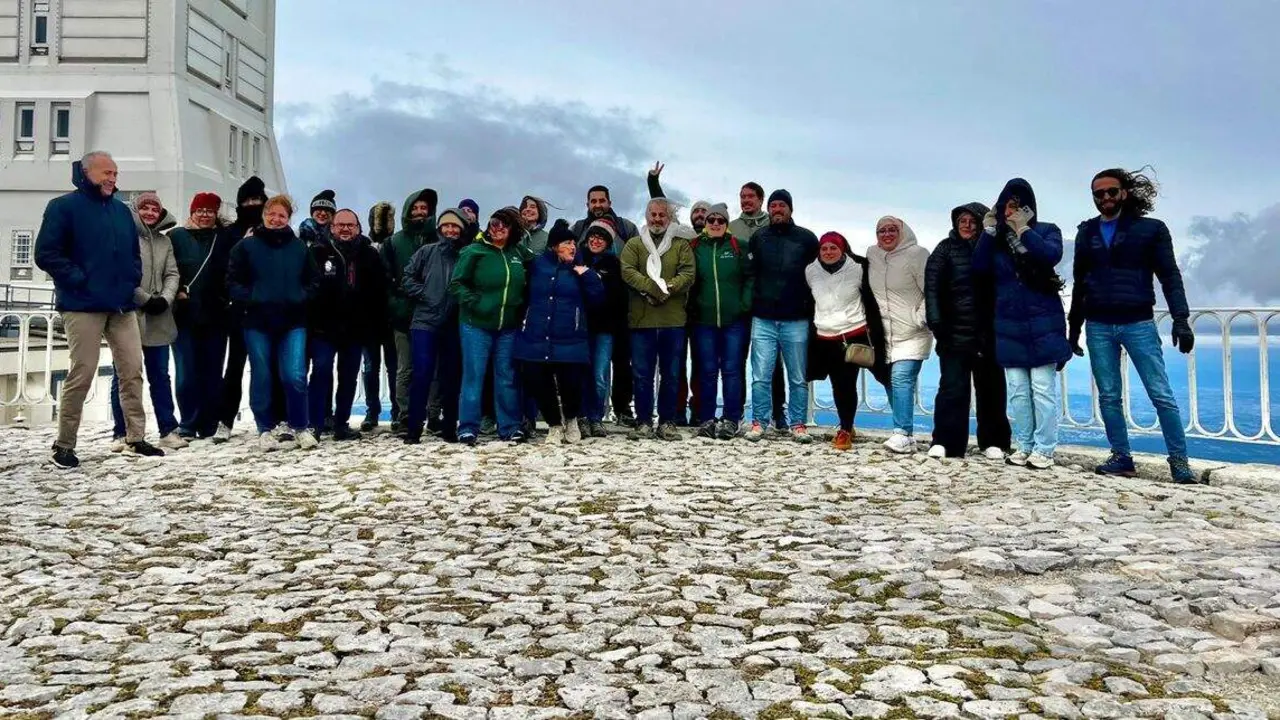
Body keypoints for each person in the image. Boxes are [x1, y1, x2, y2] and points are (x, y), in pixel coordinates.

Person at [34, 151, 165, 468]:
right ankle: (64, 444)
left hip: (121, 305)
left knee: (132, 370)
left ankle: (135, 437)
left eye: (116, 174)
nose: (112, 179)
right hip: (81, 304)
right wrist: (79, 279)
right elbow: (46, 253)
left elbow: (134, 255)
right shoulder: (63, 208)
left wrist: (130, 280)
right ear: (86, 172)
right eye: (107, 172)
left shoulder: (122, 212)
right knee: (83, 373)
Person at [1069, 168, 1196, 483]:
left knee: (1160, 393)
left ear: (1125, 192)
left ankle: (1180, 463)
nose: (1105, 198)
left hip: (1138, 322)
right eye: (1098, 194)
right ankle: (1121, 457)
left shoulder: (1151, 230)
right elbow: (1079, 282)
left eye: (1111, 191)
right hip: (1097, 324)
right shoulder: (1086, 232)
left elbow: (1169, 275)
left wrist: (1181, 319)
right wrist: (1073, 328)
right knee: (1109, 396)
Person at [973, 178, 1071, 469]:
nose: (1011, 211)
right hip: (1009, 323)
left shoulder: (1047, 231)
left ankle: (1045, 448)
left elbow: (1049, 255)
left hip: (1044, 322)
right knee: (1017, 389)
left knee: (1042, 388)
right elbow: (979, 267)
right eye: (1007, 205)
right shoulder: (996, 240)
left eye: (1017, 205)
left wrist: (1024, 229)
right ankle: (1024, 444)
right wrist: (989, 231)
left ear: (1029, 207)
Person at [226, 194, 320, 452]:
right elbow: (233, 282)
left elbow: (314, 281)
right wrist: (253, 296)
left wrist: (301, 296)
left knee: (294, 375)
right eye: (272, 213)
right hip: (257, 322)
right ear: (264, 214)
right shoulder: (245, 247)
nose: (276, 219)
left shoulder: (299, 248)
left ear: (288, 219)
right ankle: (265, 428)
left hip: (293, 321)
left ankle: (300, 426)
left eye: (282, 215)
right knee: (263, 375)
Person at [925, 203, 1012, 460]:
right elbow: (932, 288)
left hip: (988, 332)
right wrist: (937, 323)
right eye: (962, 220)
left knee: (991, 388)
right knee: (952, 388)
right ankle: (946, 442)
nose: (967, 225)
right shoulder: (944, 248)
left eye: (972, 221)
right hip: (953, 332)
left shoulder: (995, 248)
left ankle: (994, 441)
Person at [516, 220, 605, 444]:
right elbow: (522, 292)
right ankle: (554, 425)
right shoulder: (536, 265)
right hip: (537, 334)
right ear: (554, 245)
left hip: (571, 336)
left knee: (571, 383)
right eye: (567, 242)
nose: (573, 247)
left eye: (574, 243)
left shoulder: (580, 269)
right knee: (539, 381)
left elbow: (598, 299)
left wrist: (587, 274)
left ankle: (572, 420)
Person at [109, 192, 184, 452]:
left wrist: (164, 298)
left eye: (155, 209)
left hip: (159, 317)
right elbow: (120, 272)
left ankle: (168, 429)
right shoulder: (124, 236)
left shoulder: (165, 242)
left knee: (160, 375)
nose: (150, 213)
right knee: (125, 375)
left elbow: (172, 273)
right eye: (145, 208)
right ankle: (121, 431)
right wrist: (143, 298)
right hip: (129, 315)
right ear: (136, 210)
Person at [449, 207, 529, 445]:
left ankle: (510, 426)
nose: (498, 228)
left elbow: (536, 269)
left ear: (512, 228)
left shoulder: (518, 253)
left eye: (504, 225)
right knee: (474, 375)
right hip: (476, 325)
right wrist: (475, 302)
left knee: (506, 376)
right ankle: (468, 427)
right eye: (494, 223)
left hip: (508, 326)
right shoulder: (474, 250)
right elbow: (457, 284)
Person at [745, 189, 819, 443]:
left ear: (790, 209)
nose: (777, 210)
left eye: (782, 206)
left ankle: (798, 424)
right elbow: (750, 272)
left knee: (798, 376)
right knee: (760, 376)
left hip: (796, 317)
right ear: (768, 209)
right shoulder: (759, 237)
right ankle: (759, 422)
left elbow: (818, 273)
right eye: (773, 205)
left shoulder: (807, 239)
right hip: (763, 317)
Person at [307, 208, 387, 441]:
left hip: (356, 328)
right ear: (332, 227)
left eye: (350, 225)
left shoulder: (369, 254)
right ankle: (317, 423)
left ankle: (341, 423)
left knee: (348, 376)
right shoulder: (318, 252)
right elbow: (310, 288)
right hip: (324, 327)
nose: (345, 229)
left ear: (358, 228)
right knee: (321, 371)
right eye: (340, 224)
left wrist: (375, 326)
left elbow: (378, 293)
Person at [620, 198, 696, 441]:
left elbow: (688, 273)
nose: (657, 219)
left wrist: (668, 288)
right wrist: (653, 288)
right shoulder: (634, 245)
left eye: (662, 215)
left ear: (669, 218)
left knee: (671, 374)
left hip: (672, 320)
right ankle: (643, 421)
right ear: (646, 216)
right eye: (652, 214)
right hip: (642, 320)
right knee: (641, 374)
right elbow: (627, 271)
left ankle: (667, 421)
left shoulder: (680, 244)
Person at [805, 231, 889, 450]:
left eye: (833, 248)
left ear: (843, 249)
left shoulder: (859, 267)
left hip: (854, 332)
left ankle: (848, 428)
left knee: (879, 376)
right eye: (824, 248)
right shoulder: (810, 270)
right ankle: (846, 426)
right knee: (840, 385)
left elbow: (871, 297)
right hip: (825, 336)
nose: (828, 252)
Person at [571, 185, 641, 426]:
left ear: (609, 202)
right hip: (585, 321)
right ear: (587, 204)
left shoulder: (626, 228)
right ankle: (586, 415)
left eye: (602, 200)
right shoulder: (579, 229)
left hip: (619, 315)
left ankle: (621, 409)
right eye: (593, 201)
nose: (598, 205)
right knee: (585, 370)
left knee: (621, 364)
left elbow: (639, 257)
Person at [401, 209, 469, 444]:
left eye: (455, 226)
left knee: (451, 376)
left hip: (453, 322)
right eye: (446, 226)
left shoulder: (466, 254)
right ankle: (413, 428)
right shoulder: (427, 251)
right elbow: (407, 278)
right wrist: (425, 293)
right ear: (439, 228)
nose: (450, 230)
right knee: (422, 374)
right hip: (424, 321)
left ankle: (450, 427)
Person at [171, 191, 234, 440]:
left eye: (209, 211)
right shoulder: (176, 237)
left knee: (212, 372)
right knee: (186, 371)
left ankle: (208, 422)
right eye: (200, 211)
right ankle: (188, 421)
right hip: (184, 314)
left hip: (216, 314)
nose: (205, 215)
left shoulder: (224, 238)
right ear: (192, 212)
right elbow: (168, 269)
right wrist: (175, 292)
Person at [213, 176, 271, 443]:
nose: (252, 205)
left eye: (257, 200)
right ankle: (225, 420)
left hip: (268, 311)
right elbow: (223, 269)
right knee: (234, 367)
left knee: (265, 368)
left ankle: (267, 421)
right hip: (238, 311)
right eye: (247, 201)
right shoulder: (229, 234)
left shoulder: (273, 232)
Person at [867, 216, 933, 454]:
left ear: (902, 231)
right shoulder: (873, 255)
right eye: (881, 231)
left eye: (892, 230)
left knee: (901, 378)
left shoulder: (917, 255)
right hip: (884, 336)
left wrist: (920, 317)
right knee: (888, 380)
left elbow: (932, 290)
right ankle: (907, 435)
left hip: (912, 333)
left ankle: (901, 432)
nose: (886, 234)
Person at [688, 203, 752, 440]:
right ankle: (706, 418)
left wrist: (743, 305)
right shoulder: (695, 247)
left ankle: (731, 419)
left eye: (720, 220)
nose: (715, 224)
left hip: (734, 320)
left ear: (726, 224)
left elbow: (750, 277)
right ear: (704, 224)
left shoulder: (738, 247)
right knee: (706, 371)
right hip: (703, 320)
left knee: (732, 370)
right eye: (711, 220)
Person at [728, 180, 787, 432]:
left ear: (761, 200)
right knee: (738, 359)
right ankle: (737, 412)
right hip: (740, 303)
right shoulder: (731, 228)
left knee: (773, 363)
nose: (746, 200)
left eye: (751, 196)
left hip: (769, 302)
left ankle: (778, 413)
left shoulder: (771, 225)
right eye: (742, 196)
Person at [381, 188, 439, 433]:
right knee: (405, 368)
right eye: (415, 208)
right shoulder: (394, 242)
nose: (419, 212)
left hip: (434, 315)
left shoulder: (440, 239)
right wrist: (395, 305)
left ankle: (434, 415)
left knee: (433, 369)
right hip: (404, 316)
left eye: (423, 208)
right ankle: (404, 415)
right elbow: (384, 280)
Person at [577, 219, 627, 438]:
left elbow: (616, 297)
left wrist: (594, 278)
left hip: (605, 328)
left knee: (599, 376)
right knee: (580, 375)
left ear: (608, 242)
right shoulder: (576, 260)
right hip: (580, 327)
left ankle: (596, 417)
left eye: (601, 238)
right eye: (592, 237)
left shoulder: (614, 265)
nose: (596, 241)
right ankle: (580, 416)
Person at [361, 201, 399, 430]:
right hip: (369, 317)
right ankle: (372, 410)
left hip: (391, 316)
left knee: (394, 367)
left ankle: (396, 410)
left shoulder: (395, 247)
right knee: (370, 367)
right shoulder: (365, 248)